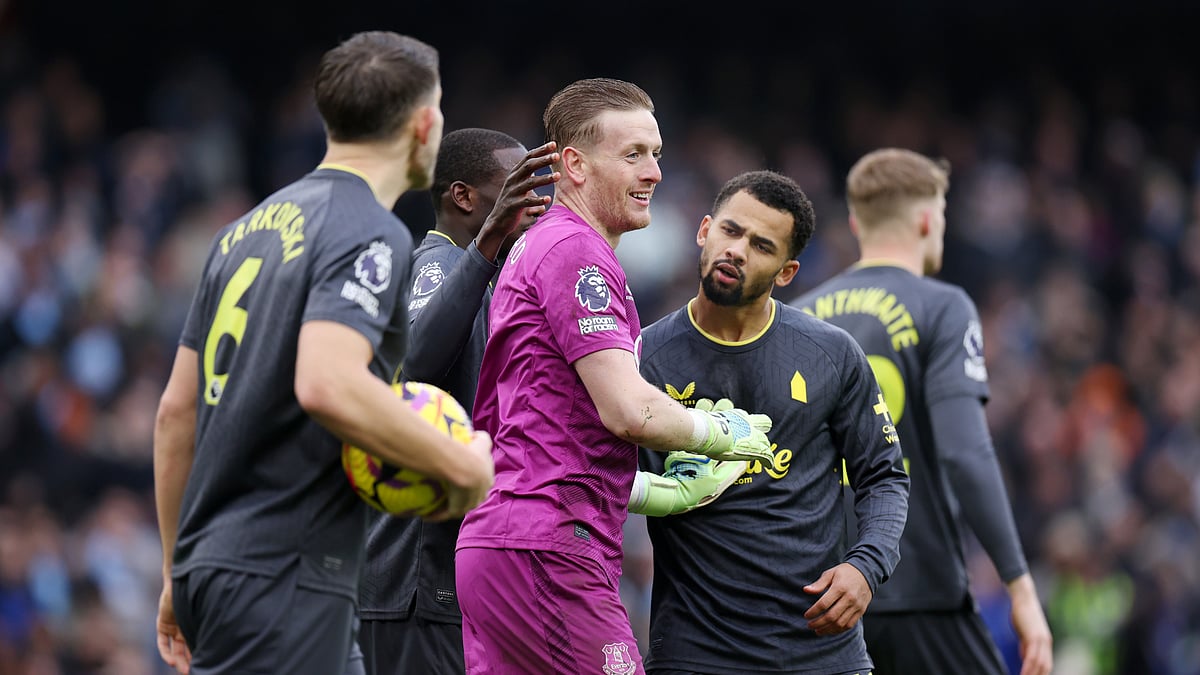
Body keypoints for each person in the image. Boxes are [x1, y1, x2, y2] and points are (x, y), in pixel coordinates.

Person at [152, 31, 495, 675]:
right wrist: (461, 464)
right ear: (424, 125)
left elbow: (176, 413)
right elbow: (328, 383)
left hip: (230, 565)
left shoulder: (242, 232)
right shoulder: (369, 231)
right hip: (286, 570)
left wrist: (177, 572)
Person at [454, 78, 776, 674]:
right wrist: (720, 432)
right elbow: (628, 410)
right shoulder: (577, 253)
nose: (654, 171)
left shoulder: (538, 243)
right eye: (633, 154)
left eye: (656, 153)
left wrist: (659, 493)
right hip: (548, 550)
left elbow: (543, 436)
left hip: (506, 540)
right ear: (573, 164)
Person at [790, 148, 1053, 675]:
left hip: (816, 602)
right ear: (929, 219)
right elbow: (965, 452)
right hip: (919, 592)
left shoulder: (799, 317)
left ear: (857, 222)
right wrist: (1019, 585)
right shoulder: (943, 306)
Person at [637, 169, 911, 675]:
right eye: (731, 231)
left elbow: (884, 476)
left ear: (786, 272)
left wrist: (866, 566)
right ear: (704, 230)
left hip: (822, 653)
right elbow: (602, 481)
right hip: (695, 655)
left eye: (762, 245)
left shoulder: (831, 353)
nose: (737, 250)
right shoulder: (642, 359)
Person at [357, 127, 558, 675]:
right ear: (464, 197)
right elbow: (414, 366)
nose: (538, 202)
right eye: (519, 186)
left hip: (453, 578)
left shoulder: (489, 283)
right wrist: (488, 243)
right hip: (416, 581)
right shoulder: (436, 265)